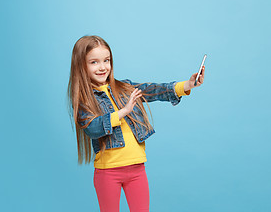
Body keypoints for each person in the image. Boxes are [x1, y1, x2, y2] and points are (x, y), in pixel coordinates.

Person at [67, 35, 205, 212]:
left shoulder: (124, 87)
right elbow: (93, 128)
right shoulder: (84, 99)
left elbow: (154, 90)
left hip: (137, 170)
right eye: (94, 62)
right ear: (81, 66)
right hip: (108, 173)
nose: (102, 67)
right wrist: (122, 112)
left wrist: (187, 85)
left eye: (106, 60)